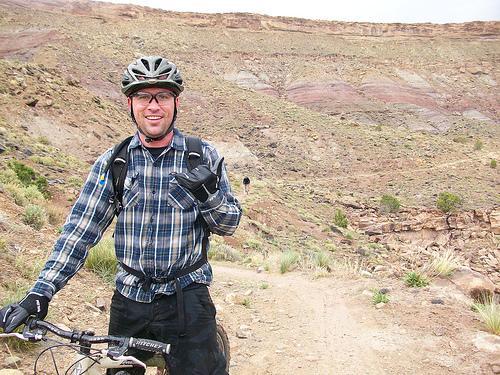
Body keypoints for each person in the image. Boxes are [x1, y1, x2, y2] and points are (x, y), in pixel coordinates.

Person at [0, 56, 242, 374]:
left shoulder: (202, 156)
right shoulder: (115, 162)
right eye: (144, 96)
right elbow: (80, 231)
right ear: (130, 102)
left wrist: (208, 196)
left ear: (176, 101)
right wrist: (39, 294)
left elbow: (229, 224)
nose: (153, 106)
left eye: (163, 96)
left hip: (187, 301)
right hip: (130, 302)